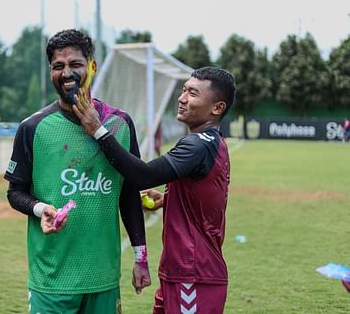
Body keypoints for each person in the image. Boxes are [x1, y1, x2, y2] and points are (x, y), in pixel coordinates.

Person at [4, 29, 151, 314]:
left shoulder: (120, 124)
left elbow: (129, 193)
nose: (66, 72)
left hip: (103, 278)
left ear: (92, 67)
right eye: (58, 66)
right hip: (51, 279)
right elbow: (15, 193)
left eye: (75, 64)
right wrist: (40, 208)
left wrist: (140, 256)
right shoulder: (32, 128)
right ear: (50, 72)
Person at [73, 67, 236, 314]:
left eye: (193, 93)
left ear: (217, 107)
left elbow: (143, 175)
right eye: (183, 90)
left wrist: (99, 131)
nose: (182, 99)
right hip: (180, 272)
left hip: (194, 274)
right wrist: (169, 199)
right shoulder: (214, 143)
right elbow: (205, 196)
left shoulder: (197, 145)